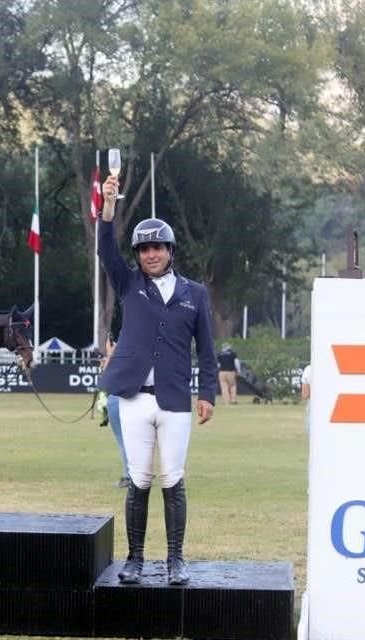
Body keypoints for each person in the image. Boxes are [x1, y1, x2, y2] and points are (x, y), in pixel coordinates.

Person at [97, 174, 218, 586]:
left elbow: (207, 346)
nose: (151, 254)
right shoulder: (129, 283)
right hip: (133, 397)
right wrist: (108, 209)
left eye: (158, 247)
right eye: (144, 248)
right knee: (138, 478)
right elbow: (105, 248)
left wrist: (209, 394)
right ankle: (134, 559)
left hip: (174, 398)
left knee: (173, 478)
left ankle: (176, 560)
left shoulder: (194, 293)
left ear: (170, 250)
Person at [98, 336, 130, 488]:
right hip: (132, 398)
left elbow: (105, 379)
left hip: (117, 398)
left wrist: (110, 354)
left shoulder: (117, 356)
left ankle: (128, 476)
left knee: (123, 440)